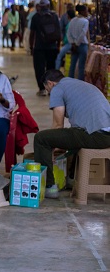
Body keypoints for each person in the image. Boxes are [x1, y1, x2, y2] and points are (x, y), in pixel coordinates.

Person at [34, 69, 110, 198]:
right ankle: (71, 178)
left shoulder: (58, 88)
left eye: (47, 90)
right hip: (105, 134)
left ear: (50, 83)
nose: (49, 93)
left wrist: (51, 148)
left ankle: (49, 187)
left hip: (97, 135)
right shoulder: (78, 84)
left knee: (41, 138)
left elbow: (58, 124)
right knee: (75, 135)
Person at [29, 0, 61, 96]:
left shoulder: (36, 17)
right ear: (48, 6)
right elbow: (58, 32)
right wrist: (58, 46)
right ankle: (51, 89)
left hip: (39, 47)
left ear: (40, 6)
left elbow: (32, 33)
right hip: (52, 47)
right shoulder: (54, 16)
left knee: (39, 69)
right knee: (51, 68)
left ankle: (42, 89)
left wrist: (31, 47)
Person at [65, 4, 90, 80]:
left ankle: (70, 80)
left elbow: (68, 33)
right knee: (81, 66)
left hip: (73, 46)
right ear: (82, 12)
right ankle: (80, 82)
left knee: (72, 64)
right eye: (86, 11)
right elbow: (83, 34)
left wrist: (73, 43)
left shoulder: (72, 20)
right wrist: (77, 43)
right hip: (82, 45)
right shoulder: (85, 21)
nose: (87, 13)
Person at [54, 5, 77, 71]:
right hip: (75, 43)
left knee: (59, 57)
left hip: (69, 43)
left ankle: (56, 70)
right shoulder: (76, 22)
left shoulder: (69, 24)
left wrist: (63, 41)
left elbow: (67, 35)